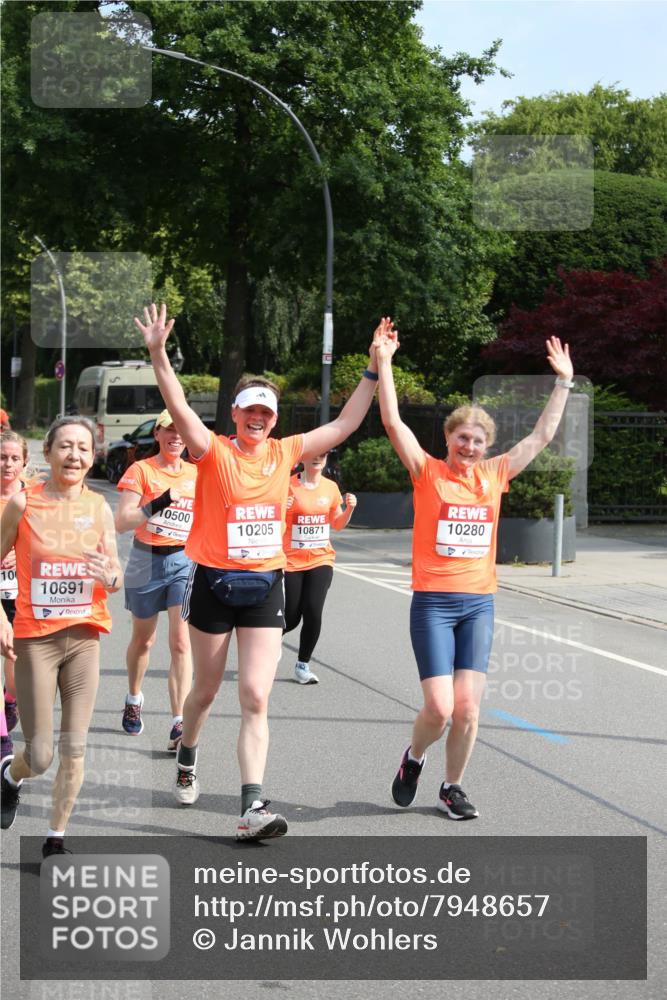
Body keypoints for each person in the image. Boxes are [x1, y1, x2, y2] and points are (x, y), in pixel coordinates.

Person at [134, 303, 393, 840]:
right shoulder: (212, 451)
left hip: (265, 584)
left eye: (267, 413)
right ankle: (188, 753)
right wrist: (158, 353)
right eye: (250, 410)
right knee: (205, 692)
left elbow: (345, 424)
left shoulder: (286, 452)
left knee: (255, 695)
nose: (258, 418)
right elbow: (178, 405)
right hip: (212, 582)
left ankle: (252, 804)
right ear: (235, 413)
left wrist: (374, 366)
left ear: (274, 419)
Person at [375, 331, 575, 820]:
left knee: (467, 709)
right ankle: (414, 758)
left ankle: (452, 787)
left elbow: (541, 437)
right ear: (448, 439)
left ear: (487, 447)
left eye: (478, 440)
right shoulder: (427, 471)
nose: (469, 446)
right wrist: (384, 363)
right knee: (440, 709)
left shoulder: (495, 475)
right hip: (434, 604)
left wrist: (564, 383)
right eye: (462, 438)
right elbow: (393, 421)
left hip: (478, 604)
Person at [0, 417, 122, 857]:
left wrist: (109, 575)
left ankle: (55, 838)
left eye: (84, 448)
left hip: (85, 639)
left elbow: (115, 575)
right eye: (66, 446)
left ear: (93, 457)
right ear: (48, 453)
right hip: (36, 640)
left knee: (75, 747)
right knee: (41, 755)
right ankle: (10, 776)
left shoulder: (99, 507)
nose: (75, 455)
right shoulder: (23, 503)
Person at [115, 409, 195, 751]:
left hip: (183, 561)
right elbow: (122, 522)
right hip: (145, 559)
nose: (176, 437)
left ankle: (180, 722)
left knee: (181, 642)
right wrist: (160, 502)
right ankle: (134, 697)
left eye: (181, 431)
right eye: (169, 430)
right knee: (144, 640)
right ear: (158, 434)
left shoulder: (197, 474)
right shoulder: (142, 470)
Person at [283, 453, 357, 684]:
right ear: (303, 458)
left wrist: (349, 510)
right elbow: (275, 525)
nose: (318, 458)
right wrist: (282, 510)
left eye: (322, 455)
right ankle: (269, 639)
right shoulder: (288, 485)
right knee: (291, 617)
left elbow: (337, 524)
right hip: (291, 561)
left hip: (321, 559)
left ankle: (302, 665)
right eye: (313, 455)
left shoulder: (330, 487)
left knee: (313, 611)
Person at [0, 431, 30, 759]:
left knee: (14, 667)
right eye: (2, 457)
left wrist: (16, 550)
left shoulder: (32, 498)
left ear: (24, 462)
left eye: (13, 458)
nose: (7, 464)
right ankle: (2, 741)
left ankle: (10, 701)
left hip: (19, 596)